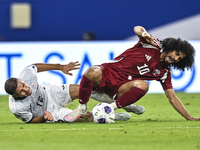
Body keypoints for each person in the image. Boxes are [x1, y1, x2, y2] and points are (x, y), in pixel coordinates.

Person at [64, 25, 200, 122]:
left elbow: (172, 98)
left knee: (143, 85)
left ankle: (110, 108)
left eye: (179, 59)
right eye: (176, 54)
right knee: (91, 71)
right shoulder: (153, 44)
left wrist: (189, 117)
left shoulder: (164, 73)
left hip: (120, 88)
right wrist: (145, 33)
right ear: (171, 47)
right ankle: (82, 108)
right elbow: (137, 28)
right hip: (108, 73)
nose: (175, 58)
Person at [4, 61, 144, 123]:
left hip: (50, 92)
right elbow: (31, 120)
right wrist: (43, 117)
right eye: (21, 92)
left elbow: (35, 67)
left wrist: (60, 67)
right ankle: (112, 116)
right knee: (84, 116)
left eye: (23, 85)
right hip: (49, 111)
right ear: (14, 96)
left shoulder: (26, 75)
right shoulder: (17, 108)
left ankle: (126, 105)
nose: (26, 89)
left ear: (20, 79)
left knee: (88, 90)